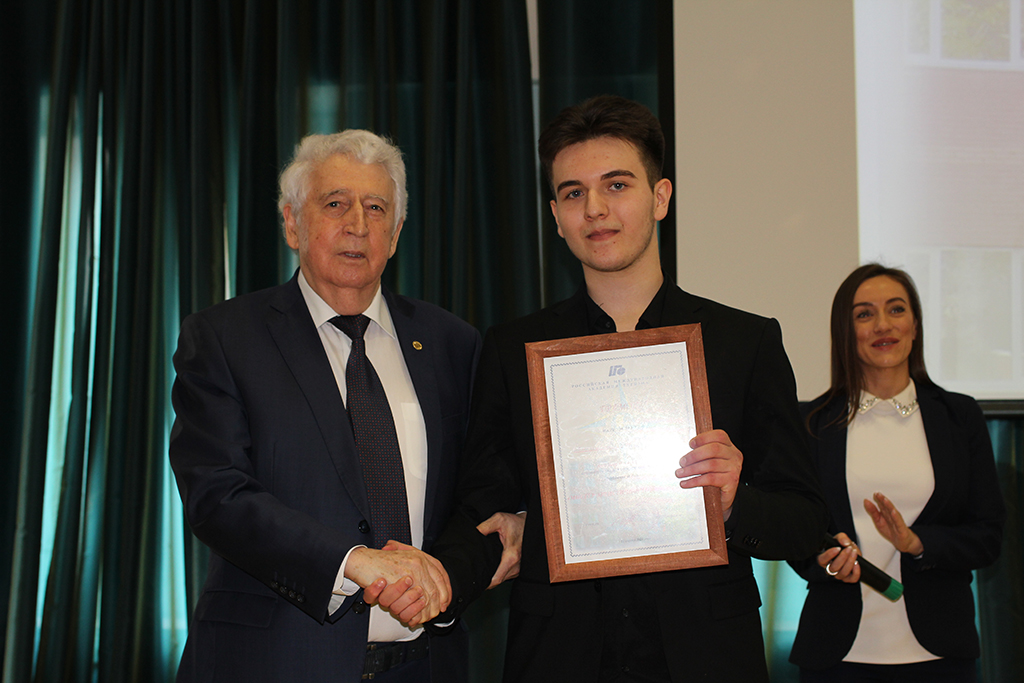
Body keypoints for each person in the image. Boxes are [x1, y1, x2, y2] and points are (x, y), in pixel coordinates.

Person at [428, 95, 828, 682]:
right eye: (573, 193)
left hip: (707, 657)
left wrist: (734, 500)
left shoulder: (745, 342)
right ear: (556, 216)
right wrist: (437, 576)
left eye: (616, 185)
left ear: (660, 197)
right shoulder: (515, 349)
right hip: (559, 656)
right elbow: (483, 506)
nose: (595, 209)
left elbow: (804, 520)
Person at [169, 129, 503, 682]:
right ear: (292, 223)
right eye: (335, 204)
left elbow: (478, 495)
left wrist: (447, 577)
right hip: (273, 665)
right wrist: (351, 561)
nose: (357, 225)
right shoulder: (225, 337)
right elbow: (216, 494)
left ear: (396, 233)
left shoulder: (452, 343)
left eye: (376, 208)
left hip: (425, 666)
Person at [789, 263, 1005, 682]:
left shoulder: (959, 416)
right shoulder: (811, 423)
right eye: (864, 314)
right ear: (845, 331)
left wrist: (917, 542)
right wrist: (825, 561)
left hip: (941, 656)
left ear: (915, 325)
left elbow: (988, 536)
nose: (883, 325)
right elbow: (796, 534)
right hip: (835, 655)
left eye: (896, 309)